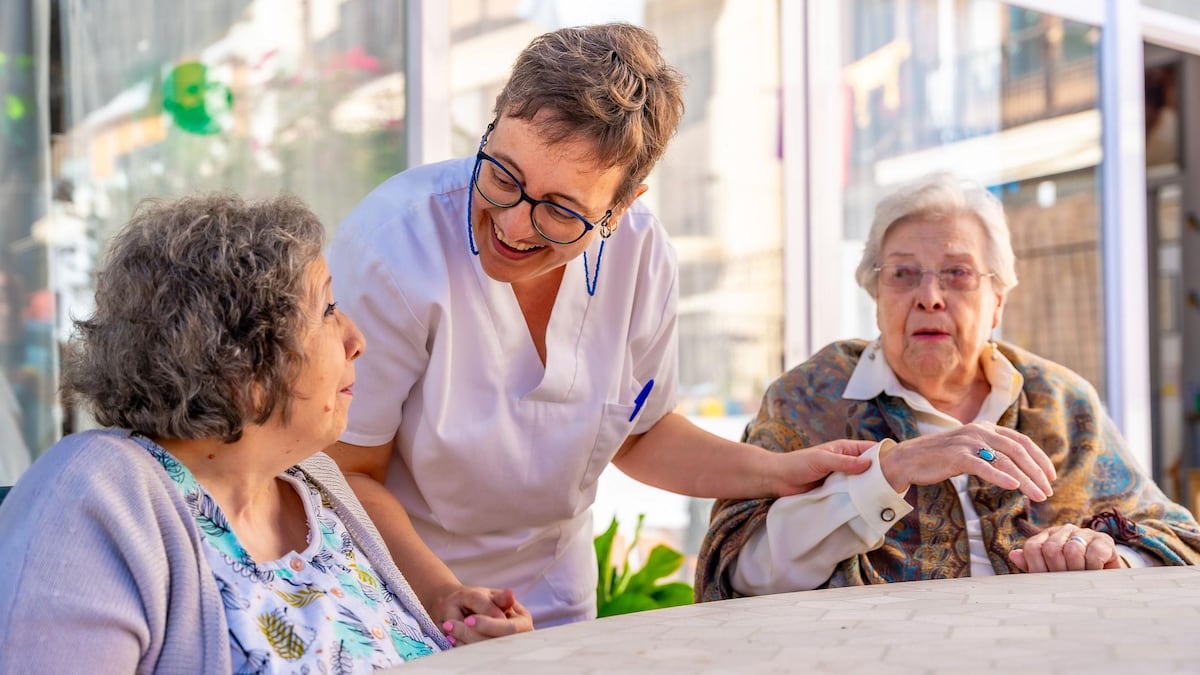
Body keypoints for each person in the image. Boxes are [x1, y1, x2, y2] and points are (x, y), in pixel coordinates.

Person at [327, 22, 873, 629]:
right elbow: (348, 471)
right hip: (396, 591)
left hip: (554, 596)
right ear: (493, 123)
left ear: (623, 206)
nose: (512, 225)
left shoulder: (642, 255)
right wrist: (442, 594)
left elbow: (641, 436)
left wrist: (779, 471)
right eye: (503, 175)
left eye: (562, 211)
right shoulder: (392, 247)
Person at [0, 193, 530, 674]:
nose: (356, 339)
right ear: (241, 366)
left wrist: (467, 639)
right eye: (326, 310)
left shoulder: (314, 484)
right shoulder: (97, 493)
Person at [695, 172, 1200, 600]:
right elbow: (742, 571)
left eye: (957, 274)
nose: (930, 297)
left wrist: (1109, 557)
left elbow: (1180, 542)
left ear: (998, 299)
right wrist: (884, 473)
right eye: (903, 274)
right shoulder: (812, 395)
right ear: (876, 297)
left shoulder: (1060, 400)